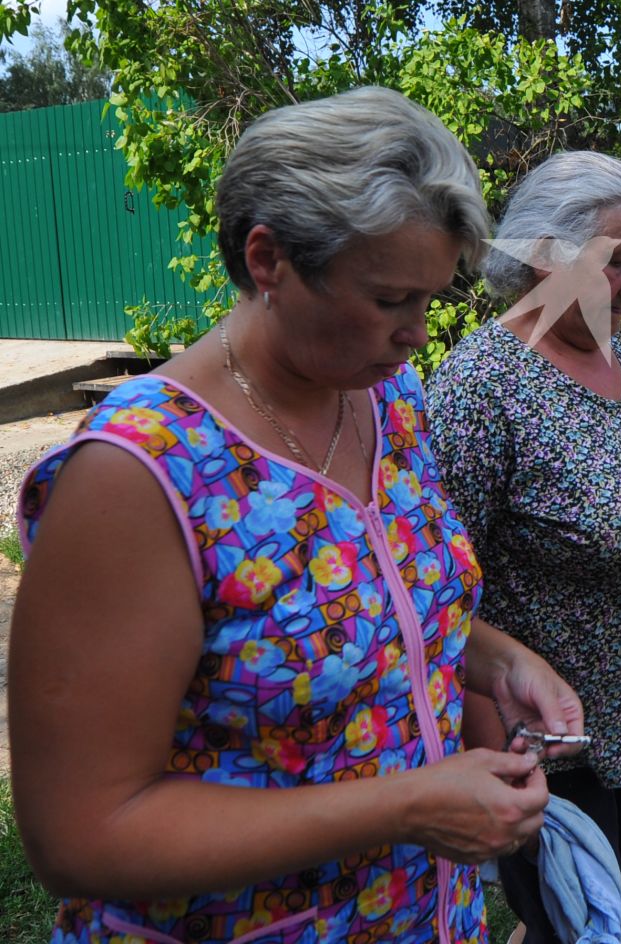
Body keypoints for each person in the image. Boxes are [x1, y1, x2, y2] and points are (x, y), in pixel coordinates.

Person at [9, 86, 584, 944]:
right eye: (391, 300)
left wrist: (494, 661)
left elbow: (367, 602)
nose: (418, 334)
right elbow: (81, 835)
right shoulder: (139, 476)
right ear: (269, 259)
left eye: (430, 300)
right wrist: (404, 807)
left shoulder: (389, 400)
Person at [429, 151, 621, 938]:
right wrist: (502, 771)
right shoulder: (479, 389)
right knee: (571, 914)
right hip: (548, 744)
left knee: (619, 884)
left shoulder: (615, 355)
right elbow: (438, 588)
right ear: (546, 258)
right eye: (619, 261)